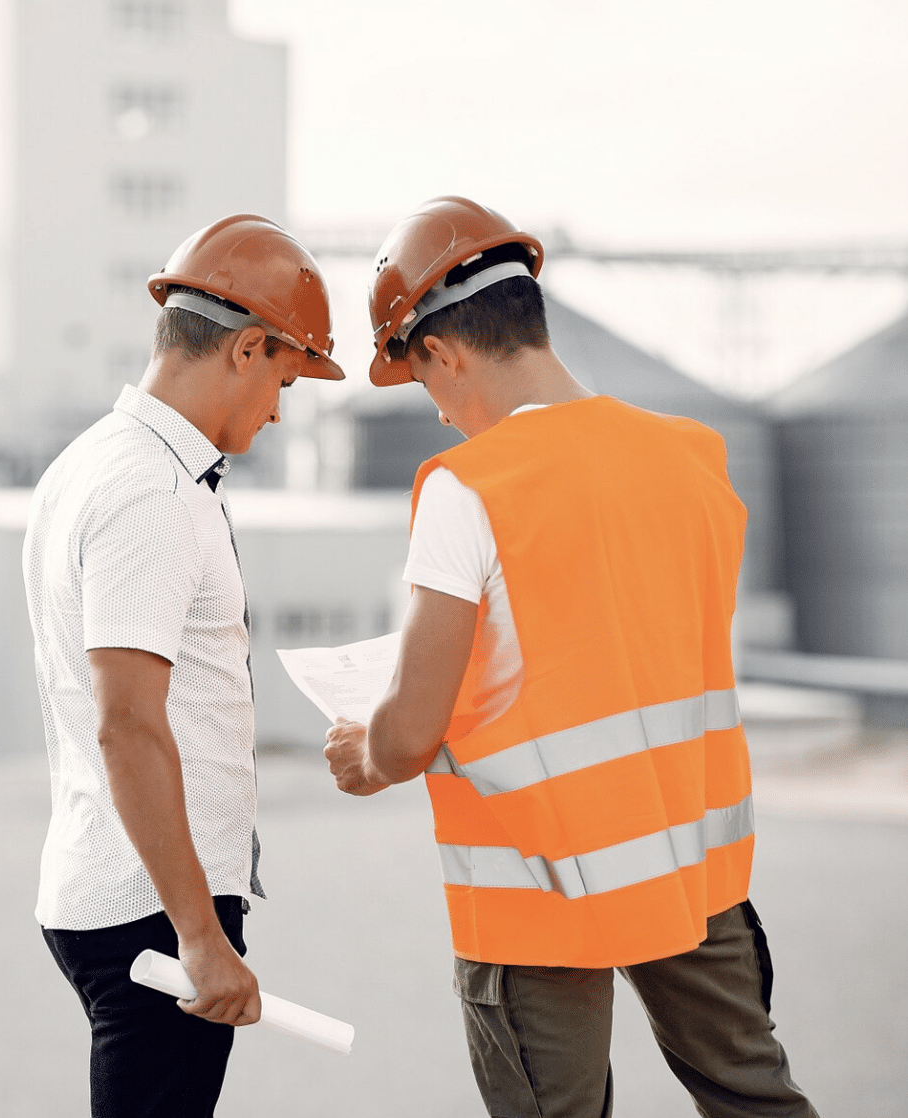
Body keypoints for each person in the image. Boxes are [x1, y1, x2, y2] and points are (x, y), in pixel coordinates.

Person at [324, 195, 820, 1118]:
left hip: (536, 885)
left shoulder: (469, 488)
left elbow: (408, 733)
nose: (436, 416)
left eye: (423, 384)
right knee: (756, 1099)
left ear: (441, 349)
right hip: (691, 864)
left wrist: (370, 749)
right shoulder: (693, 457)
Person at [23, 214, 343, 1117]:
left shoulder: (92, 463)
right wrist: (200, 935)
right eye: (284, 378)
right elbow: (127, 721)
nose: (281, 408)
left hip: (126, 884)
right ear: (246, 350)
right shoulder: (152, 493)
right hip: (154, 906)